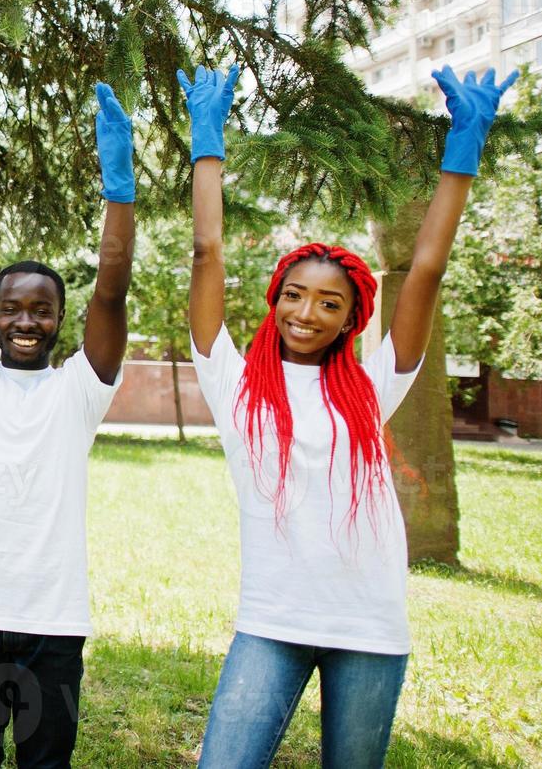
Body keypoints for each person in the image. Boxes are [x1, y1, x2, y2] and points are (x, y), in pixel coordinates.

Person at [186, 64, 518, 768]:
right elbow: (205, 251)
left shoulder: (371, 388)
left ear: (348, 321)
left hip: (367, 626)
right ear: (275, 299)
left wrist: (463, 147)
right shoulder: (233, 383)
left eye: (328, 304)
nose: (306, 312)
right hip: (271, 623)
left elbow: (424, 269)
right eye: (294, 295)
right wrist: (205, 145)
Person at [0, 86, 135, 768]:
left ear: (58, 321)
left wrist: (119, 187)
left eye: (40, 310)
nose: (24, 321)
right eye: (11, 308)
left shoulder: (79, 389)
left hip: (53, 627)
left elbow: (111, 286)